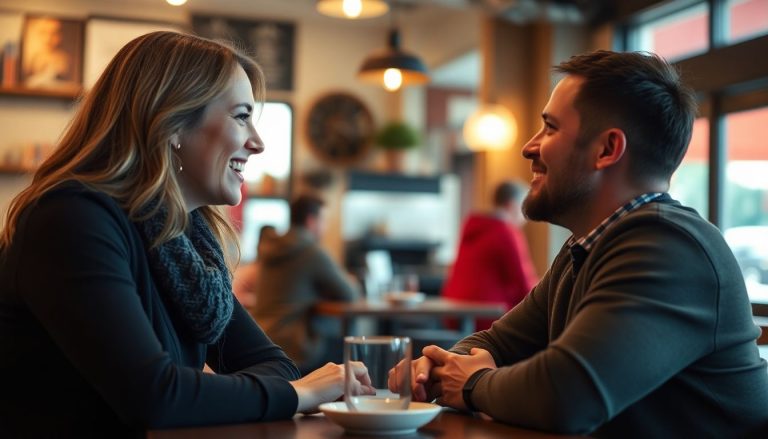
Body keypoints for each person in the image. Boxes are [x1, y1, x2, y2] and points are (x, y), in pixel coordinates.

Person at [0, 31, 373, 436]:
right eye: (241, 116)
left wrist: (277, 387)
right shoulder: (72, 219)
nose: (258, 142)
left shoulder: (186, 241)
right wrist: (299, 394)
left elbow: (274, 363)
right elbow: (155, 396)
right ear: (173, 123)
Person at [389, 50, 768, 437]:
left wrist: (470, 383)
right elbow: (497, 341)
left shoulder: (668, 245)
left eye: (550, 128)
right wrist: (442, 365)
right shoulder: (586, 247)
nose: (528, 147)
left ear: (607, 150)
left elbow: (567, 396)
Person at [250, 194, 362, 375]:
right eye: (323, 220)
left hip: (260, 337)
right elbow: (350, 293)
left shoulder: (273, 246)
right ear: (311, 221)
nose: (325, 227)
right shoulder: (310, 251)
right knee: (347, 350)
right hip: (293, 346)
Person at [441, 180, 537, 330]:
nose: (526, 218)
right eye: (524, 208)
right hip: (488, 317)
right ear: (512, 205)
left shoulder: (473, 226)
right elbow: (524, 283)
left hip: (453, 312)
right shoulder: (506, 232)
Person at [232, 224, 277, 306]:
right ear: (259, 245)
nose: (272, 248)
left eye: (274, 243)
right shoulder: (249, 271)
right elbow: (235, 296)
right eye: (268, 243)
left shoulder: (272, 271)